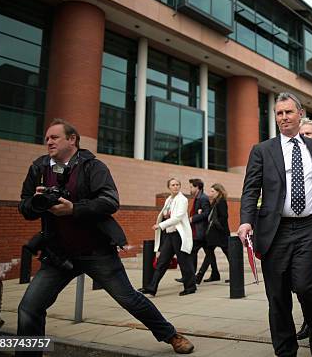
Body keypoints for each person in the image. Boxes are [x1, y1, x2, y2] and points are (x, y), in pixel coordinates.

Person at [17, 119, 194, 356]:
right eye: (47, 137)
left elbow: (110, 201)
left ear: (72, 140)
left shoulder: (92, 166)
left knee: (129, 299)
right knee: (29, 308)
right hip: (58, 253)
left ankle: (172, 335)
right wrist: (35, 203)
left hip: (96, 251)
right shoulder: (39, 167)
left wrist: (74, 208)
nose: (48, 141)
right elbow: (24, 205)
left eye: (54, 137)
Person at [238, 92, 312, 356]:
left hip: (309, 227)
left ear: (300, 114)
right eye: (279, 113)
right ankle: (285, 349)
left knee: (305, 286)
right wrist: (245, 222)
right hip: (275, 231)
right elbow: (250, 189)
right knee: (277, 296)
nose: (284, 117)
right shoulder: (262, 150)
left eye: (289, 112)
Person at [139, 178, 196, 296]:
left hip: (179, 235)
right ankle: (152, 288)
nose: (175, 186)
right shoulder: (169, 199)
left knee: (184, 262)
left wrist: (160, 225)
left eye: (177, 185)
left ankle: (190, 287)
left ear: (179, 186)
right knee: (162, 262)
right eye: (173, 185)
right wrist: (164, 218)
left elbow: (178, 217)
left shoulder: (182, 199)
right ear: (169, 187)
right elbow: (166, 214)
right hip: (169, 235)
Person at [295, 117, 312, 341]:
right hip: (305, 230)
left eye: (308, 135)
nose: (303, 138)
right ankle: (310, 321)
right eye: (300, 135)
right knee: (303, 282)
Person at [199, 183, 231, 283]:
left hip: (221, 233)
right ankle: (214, 274)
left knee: (229, 255)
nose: (210, 193)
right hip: (215, 233)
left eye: (213, 191)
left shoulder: (221, 202)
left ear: (219, 192)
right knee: (209, 253)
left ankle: (235, 274)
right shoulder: (215, 202)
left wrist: (216, 226)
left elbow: (224, 217)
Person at [187, 178, 211, 284]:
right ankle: (213, 273)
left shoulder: (203, 198)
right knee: (209, 254)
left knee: (193, 253)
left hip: (200, 231)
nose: (190, 189)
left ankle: (191, 277)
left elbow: (207, 213)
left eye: (191, 187)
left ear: (197, 187)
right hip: (198, 231)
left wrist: (193, 218)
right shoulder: (198, 198)